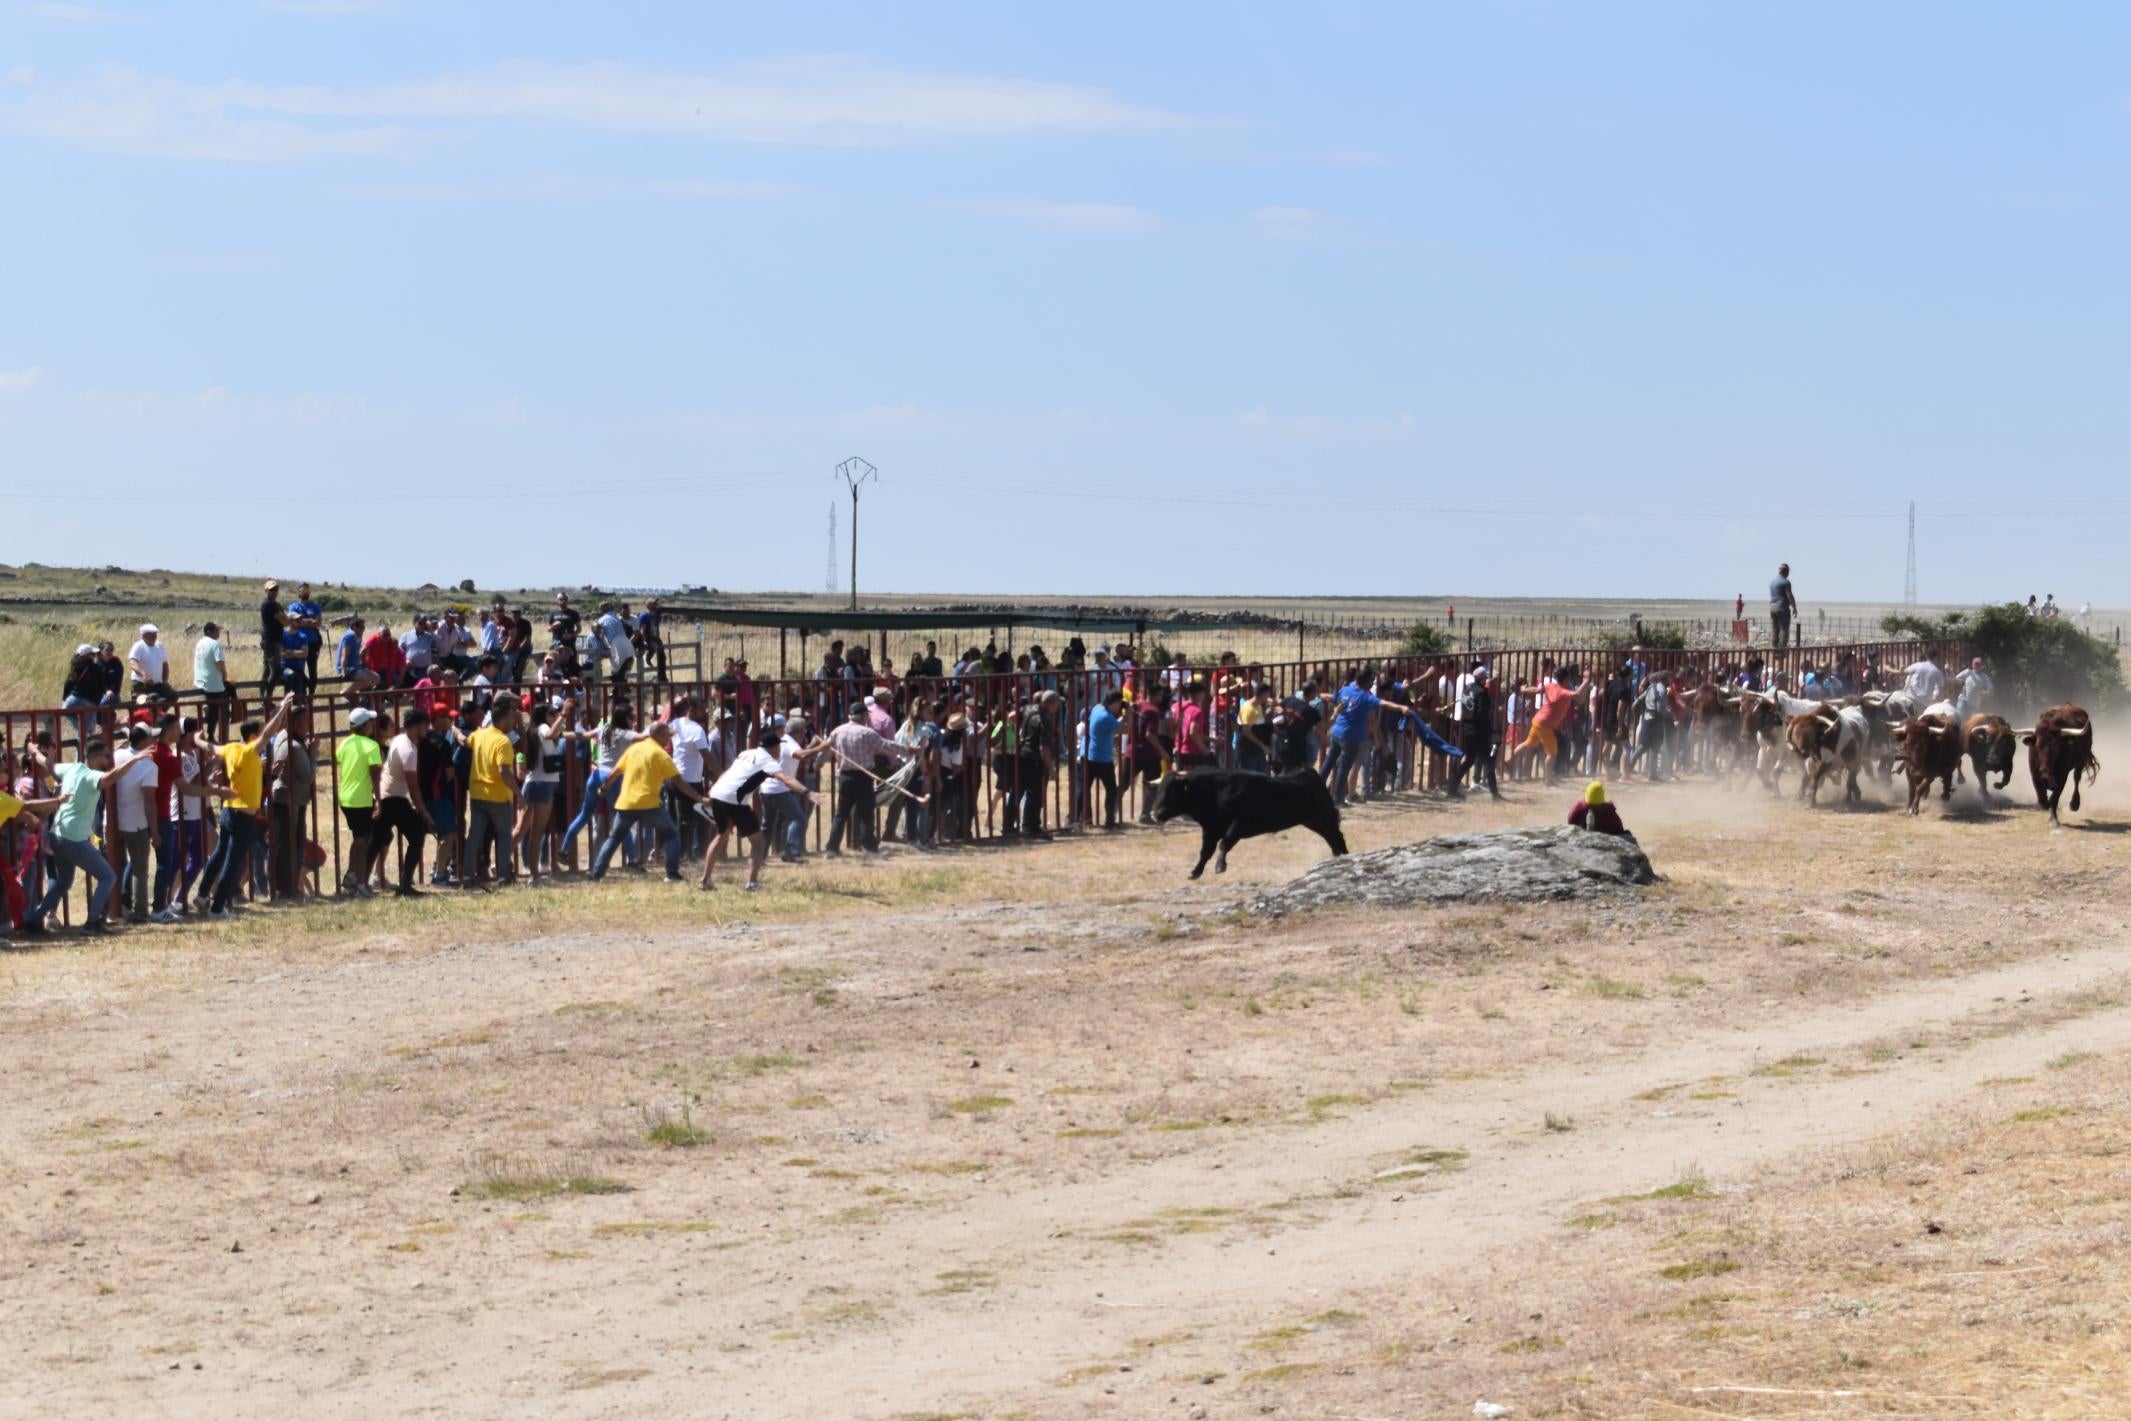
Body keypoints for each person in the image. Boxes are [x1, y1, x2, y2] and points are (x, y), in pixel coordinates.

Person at [16, 738, 120, 938]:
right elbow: (111, 778)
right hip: (73, 839)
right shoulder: (92, 775)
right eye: (107, 755)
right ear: (97, 758)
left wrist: (32, 750)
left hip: (58, 834)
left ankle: (34, 921)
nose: (109, 758)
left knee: (64, 882)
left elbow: (47, 764)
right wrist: (135, 761)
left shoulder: (72, 768)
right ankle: (92, 922)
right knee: (108, 876)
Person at [699, 725, 824, 891]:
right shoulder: (767, 761)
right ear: (773, 748)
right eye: (779, 746)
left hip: (717, 793)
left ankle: (705, 880)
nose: (780, 749)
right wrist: (807, 793)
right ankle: (752, 883)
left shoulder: (746, 753)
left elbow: (727, 773)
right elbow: (786, 779)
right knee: (758, 842)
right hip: (734, 799)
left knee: (721, 836)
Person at [589, 721, 704, 883]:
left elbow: (615, 772)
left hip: (626, 803)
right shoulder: (661, 755)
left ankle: (596, 875)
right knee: (671, 834)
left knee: (614, 838)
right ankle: (672, 874)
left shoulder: (634, 749)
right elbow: (679, 782)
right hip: (649, 804)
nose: (669, 740)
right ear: (659, 736)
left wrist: (603, 788)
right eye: (667, 736)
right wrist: (700, 798)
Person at [825, 701, 909, 857]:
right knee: (866, 813)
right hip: (863, 777)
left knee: (841, 814)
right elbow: (886, 746)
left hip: (844, 776)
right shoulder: (866, 733)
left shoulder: (837, 731)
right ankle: (869, 849)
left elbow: (825, 750)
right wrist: (908, 750)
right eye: (866, 715)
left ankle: (831, 848)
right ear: (863, 716)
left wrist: (817, 764)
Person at [365, 706, 432, 898]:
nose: (427, 729)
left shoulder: (399, 739)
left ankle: (362, 881)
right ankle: (404, 886)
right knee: (417, 835)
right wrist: (423, 811)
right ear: (417, 727)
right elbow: (413, 786)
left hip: (386, 796)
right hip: (394, 799)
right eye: (425, 725)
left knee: (376, 840)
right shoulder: (409, 750)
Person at [1325, 668, 1414, 805]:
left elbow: (1332, 698)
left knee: (1328, 764)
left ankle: (1318, 792)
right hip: (1350, 736)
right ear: (1366, 682)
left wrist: (1316, 694)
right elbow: (1384, 704)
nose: (1372, 683)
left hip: (1336, 732)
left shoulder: (1346, 689)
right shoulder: (1365, 697)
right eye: (1371, 680)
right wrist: (1401, 708)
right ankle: (1337, 799)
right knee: (1344, 768)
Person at [462, 696, 521, 889]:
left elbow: (464, 740)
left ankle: (468, 875)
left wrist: (453, 730)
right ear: (503, 720)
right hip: (497, 796)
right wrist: (518, 793)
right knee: (504, 837)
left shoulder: (479, 735)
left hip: (477, 794)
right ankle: (504, 876)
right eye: (512, 719)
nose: (514, 723)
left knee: (474, 836)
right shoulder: (503, 742)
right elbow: (504, 771)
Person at [109, 723, 161, 923]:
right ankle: (140, 911)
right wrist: (154, 831)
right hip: (136, 822)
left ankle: (114, 907)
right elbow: (149, 800)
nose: (154, 741)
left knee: (113, 865)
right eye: (151, 738)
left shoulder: (116, 756)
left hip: (112, 820)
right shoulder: (149, 767)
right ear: (143, 742)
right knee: (139, 867)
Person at [1509, 665, 1594, 784]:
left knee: (1528, 744)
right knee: (1552, 753)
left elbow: (1535, 690)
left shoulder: (1550, 686)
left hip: (1538, 720)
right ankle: (1547, 780)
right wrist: (1586, 681)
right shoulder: (1563, 692)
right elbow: (1578, 694)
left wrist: (1523, 690)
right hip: (1545, 725)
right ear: (1565, 679)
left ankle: (1508, 763)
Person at [333, 706, 385, 897]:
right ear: (364, 725)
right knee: (363, 843)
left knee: (359, 839)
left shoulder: (344, 743)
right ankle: (361, 884)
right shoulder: (372, 746)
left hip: (345, 798)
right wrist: (379, 801)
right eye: (370, 722)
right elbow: (375, 776)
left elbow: (340, 760)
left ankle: (351, 876)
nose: (373, 725)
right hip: (361, 799)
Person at [516, 699, 569, 884]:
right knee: (536, 833)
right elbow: (552, 733)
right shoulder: (543, 728)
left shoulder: (534, 731)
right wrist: (563, 714)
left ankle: (502, 866)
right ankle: (534, 875)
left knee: (523, 831)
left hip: (535, 784)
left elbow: (560, 734)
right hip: (542, 785)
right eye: (551, 713)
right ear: (544, 716)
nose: (554, 716)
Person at [1449, 667, 1501, 799]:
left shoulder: (1467, 690)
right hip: (1479, 731)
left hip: (1467, 729)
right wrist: (1491, 732)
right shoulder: (1483, 693)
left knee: (1469, 760)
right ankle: (1495, 794)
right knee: (1488, 760)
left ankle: (1452, 789)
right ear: (1482, 678)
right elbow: (1482, 717)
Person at [1086, 689, 1123, 828]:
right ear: (1112, 703)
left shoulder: (1097, 709)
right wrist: (1129, 714)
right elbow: (1125, 729)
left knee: (1085, 789)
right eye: (1119, 704)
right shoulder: (1108, 718)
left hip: (1090, 755)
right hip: (1103, 760)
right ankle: (1109, 821)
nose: (1120, 706)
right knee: (1112, 791)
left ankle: (1083, 819)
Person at [192, 623, 233, 739]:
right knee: (219, 708)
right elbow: (219, 661)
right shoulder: (215, 644)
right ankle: (214, 735)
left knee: (213, 707)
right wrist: (225, 674)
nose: (218, 632)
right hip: (213, 682)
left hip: (200, 680)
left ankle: (209, 729)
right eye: (216, 630)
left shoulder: (200, 643)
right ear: (209, 631)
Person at [288, 582, 324, 692]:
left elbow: (318, 623)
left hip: (313, 642)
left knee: (313, 670)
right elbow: (294, 622)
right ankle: (301, 694)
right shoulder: (294, 606)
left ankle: (311, 696)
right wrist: (309, 621)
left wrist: (302, 621)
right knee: (299, 669)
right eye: (302, 590)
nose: (305, 592)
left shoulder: (315, 606)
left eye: (307, 590)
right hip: (298, 642)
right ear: (298, 593)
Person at [127, 624, 176, 701]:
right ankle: (154, 712)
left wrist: (165, 681)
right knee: (152, 700)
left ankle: (159, 713)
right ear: (144, 636)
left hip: (157, 684)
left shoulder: (159, 645)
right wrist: (144, 675)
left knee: (173, 696)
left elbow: (164, 664)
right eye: (151, 635)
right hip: (141, 684)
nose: (154, 637)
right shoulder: (138, 646)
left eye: (155, 634)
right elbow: (133, 663)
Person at [258, 579, 286, 698]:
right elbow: (284, 620)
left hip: (271, 640)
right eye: (271, 590)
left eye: (275, 589)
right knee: (276, 670)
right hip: (272, 641)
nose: (274, 592)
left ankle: (263, 698)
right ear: (266, 591)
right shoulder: (270, 604)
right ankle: (267, 698)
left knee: (267, 671)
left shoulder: (275, 604)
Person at [1954, 656, 1993, 721]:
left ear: (1981, 666)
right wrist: (1960, 682)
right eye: (1975, 664)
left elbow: (1991, 691)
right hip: (1963, 700)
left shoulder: (1984, 677)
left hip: (1974, 704)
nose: (1977, 666)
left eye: (1978, 664)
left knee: (1972, 721)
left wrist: (1984, 693)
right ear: (1972, 665)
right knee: (1959, 717)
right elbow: (1956, 678)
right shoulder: (1967, 672)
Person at [1768, 562, 1797, 649]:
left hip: (1772, 607)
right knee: (1783, 629)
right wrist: (1794, 608)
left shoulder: (1772, 582)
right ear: (1786, 571)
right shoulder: (1786, 582)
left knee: (1774, 629)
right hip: (1782, 607)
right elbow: (1789, 596)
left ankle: (1774, 648)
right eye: (1788, 571)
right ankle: (1781, 649)